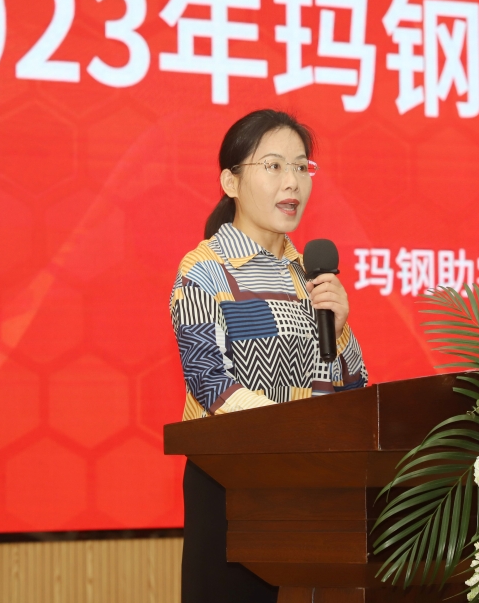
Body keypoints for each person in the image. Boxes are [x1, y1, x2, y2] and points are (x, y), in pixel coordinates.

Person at [170, 109, 368, 603]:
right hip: (232, 485)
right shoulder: (205, 269)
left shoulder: (310, 274)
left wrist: (339, 331)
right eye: (274, 165)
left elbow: (354, 392)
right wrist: (298, 433)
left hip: (313, 488)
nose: (293, 182)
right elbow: (211, 384)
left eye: (301, 167)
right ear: (230, 182)